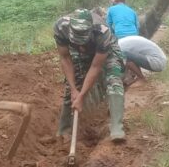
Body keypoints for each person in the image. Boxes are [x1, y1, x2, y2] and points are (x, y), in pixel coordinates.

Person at [54, 9, 127, 142]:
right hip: (80, 53)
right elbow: (65, 58)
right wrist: (74, 89)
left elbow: (96, 66)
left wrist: (81, 96)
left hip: (107, 52)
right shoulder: (60, 27)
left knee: (113, 81)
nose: (80, 43)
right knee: (72, 86)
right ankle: (64, 130)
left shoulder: (102, 32)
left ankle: (117, 128)